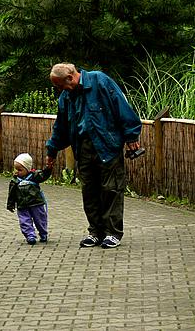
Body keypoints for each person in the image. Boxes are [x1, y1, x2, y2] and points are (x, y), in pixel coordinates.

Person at [45, 63, 142, 249]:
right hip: (83, 148)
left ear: (70, 78)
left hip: (107, 145)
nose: (58, 90)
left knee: (111, 189)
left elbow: (121, 105)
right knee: (89, 191)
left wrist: (131, 136)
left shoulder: (100, 81)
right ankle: (96, 232)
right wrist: (52, 150)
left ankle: (112, 233)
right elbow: (61, 127)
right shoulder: (66, 97)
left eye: (58, 85)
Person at [7, 153, 52, 245]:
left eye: (20, 169)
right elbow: (11, 193)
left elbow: (44, 175)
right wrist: (10, 204)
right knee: (24, 221)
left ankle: (43, 233)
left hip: (36, 203)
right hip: (22, 205)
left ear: (28, 169)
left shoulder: (34, 176)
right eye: (15, 169)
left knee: (40, 219)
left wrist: (48, 169)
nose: (17, 172)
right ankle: (30, 235)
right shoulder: (15, 181)